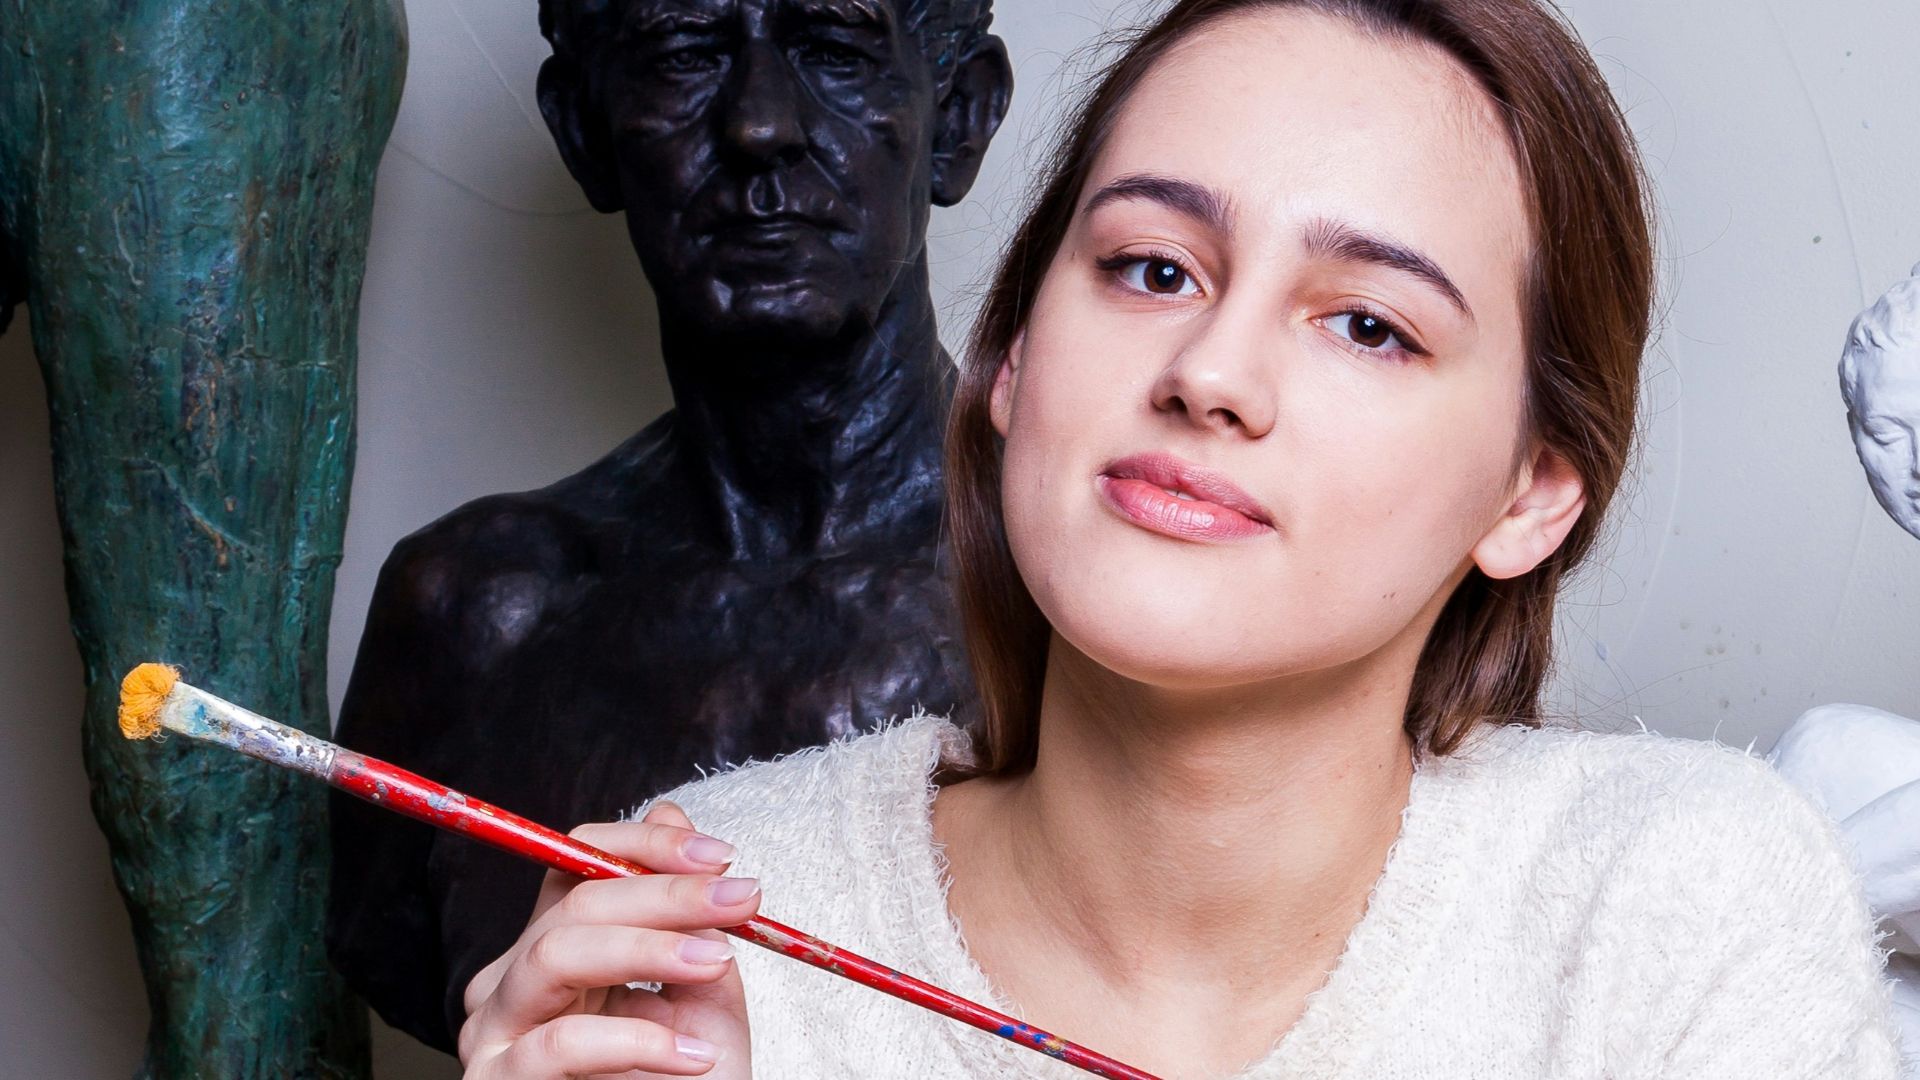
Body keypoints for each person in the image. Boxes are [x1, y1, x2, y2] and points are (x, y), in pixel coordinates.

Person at [454, 0, 1908, 1076]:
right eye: (1152, 267)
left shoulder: (1675, 896)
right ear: (1012, 358)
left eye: (1368, 325)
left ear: (1532, 490)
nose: (1209, 372)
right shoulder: (715, 929)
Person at [327, 0, 1012, 1048]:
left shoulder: (1094, 609)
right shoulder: (475, 617)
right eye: (684, 55)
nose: (759, 125)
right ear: (585, 130)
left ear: (956, 118)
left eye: (833, 50)